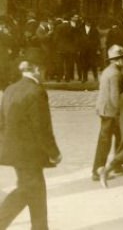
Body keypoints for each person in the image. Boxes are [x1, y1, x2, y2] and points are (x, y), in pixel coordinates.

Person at [0, 53, 61, 230]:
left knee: (36, 190)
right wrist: (54, 152)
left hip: (14, 150)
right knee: (27, 190)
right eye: (43, 69)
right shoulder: (36, 91)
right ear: (37, 69)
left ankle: (40, 227)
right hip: (30, 153)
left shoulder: (10, 89)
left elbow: (1, 122)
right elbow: (42, 127)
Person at [92, 45, 123, 183]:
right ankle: (97, 171)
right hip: (111, 112)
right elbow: (115, 97)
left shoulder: (109, 70)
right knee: (105, 141)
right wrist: (121, 113)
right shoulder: (115, 74)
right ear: (118, 60)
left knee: (119, 137)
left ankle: (117, 164)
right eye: (122, 58)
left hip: (106, 109)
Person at [79, 17, 101, 83]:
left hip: (92, 49)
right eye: (87, 22)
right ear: (85, 22)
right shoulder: (81, 30)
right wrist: (79, 48)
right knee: (84, 64)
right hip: (83, 49)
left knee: (93, 64)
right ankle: (84, 78)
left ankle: (95, 77)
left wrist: (97, 49)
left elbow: (97, 40)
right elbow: (78, 40)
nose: (89, 23)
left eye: (90, 22)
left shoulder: (94, 30)